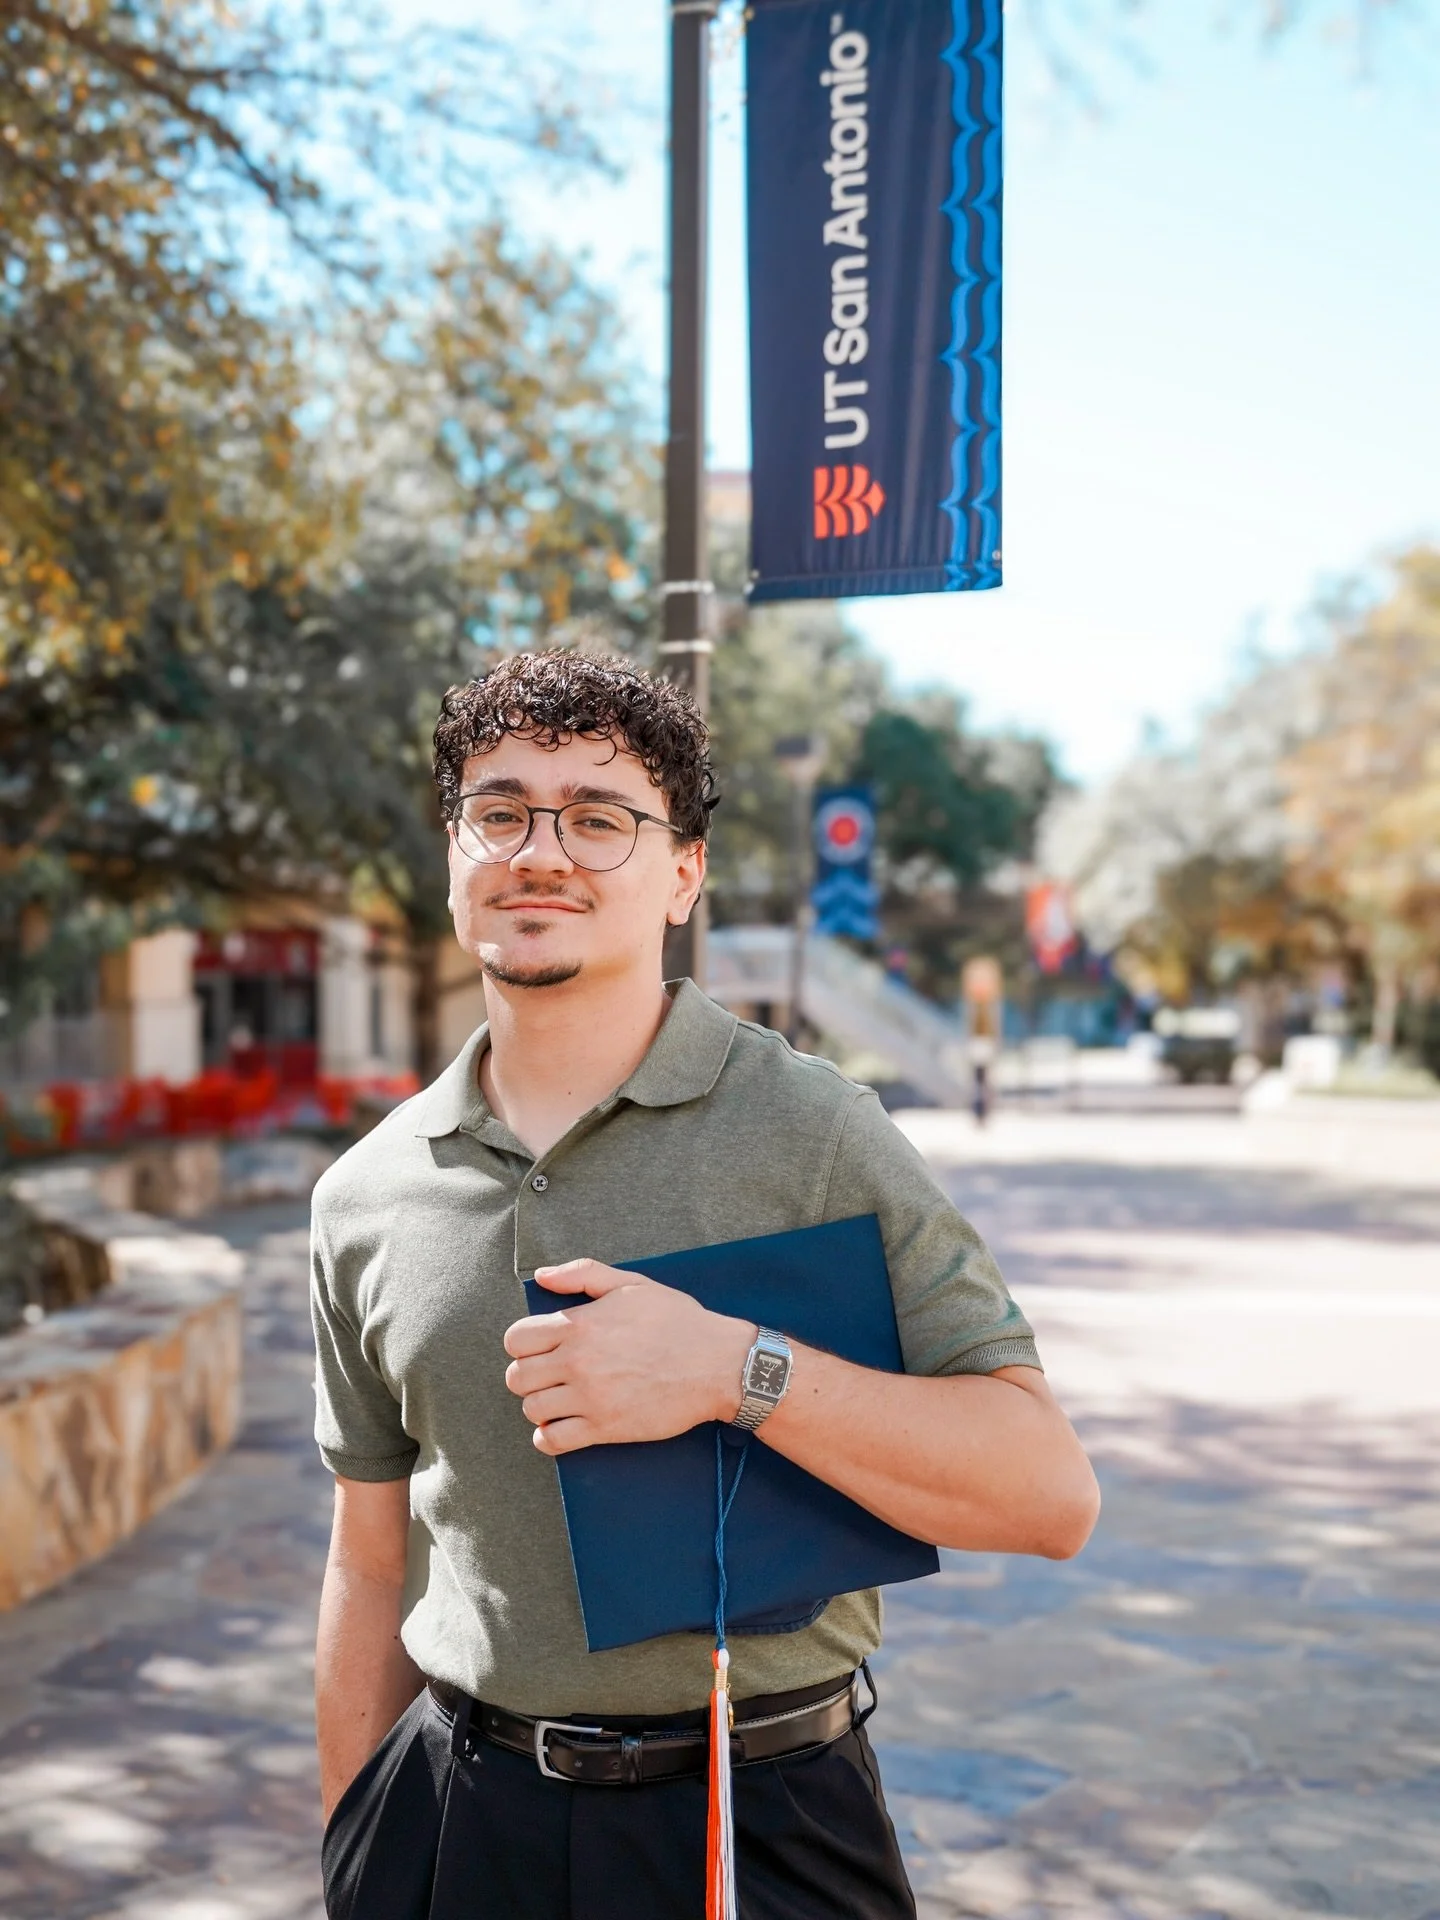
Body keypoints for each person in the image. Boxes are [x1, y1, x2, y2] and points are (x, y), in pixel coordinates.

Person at [310, 650, 1100, 1920]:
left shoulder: (815, 1132)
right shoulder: (365, 1194)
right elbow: (367, 1560)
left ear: (683, 873)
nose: (542, 850)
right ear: (454, 855)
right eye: (501, 810)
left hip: (762, 1821)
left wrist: (737, 1374)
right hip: (463, 1829)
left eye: (602, 818)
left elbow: (1048, 1494)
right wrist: (359, 1854)